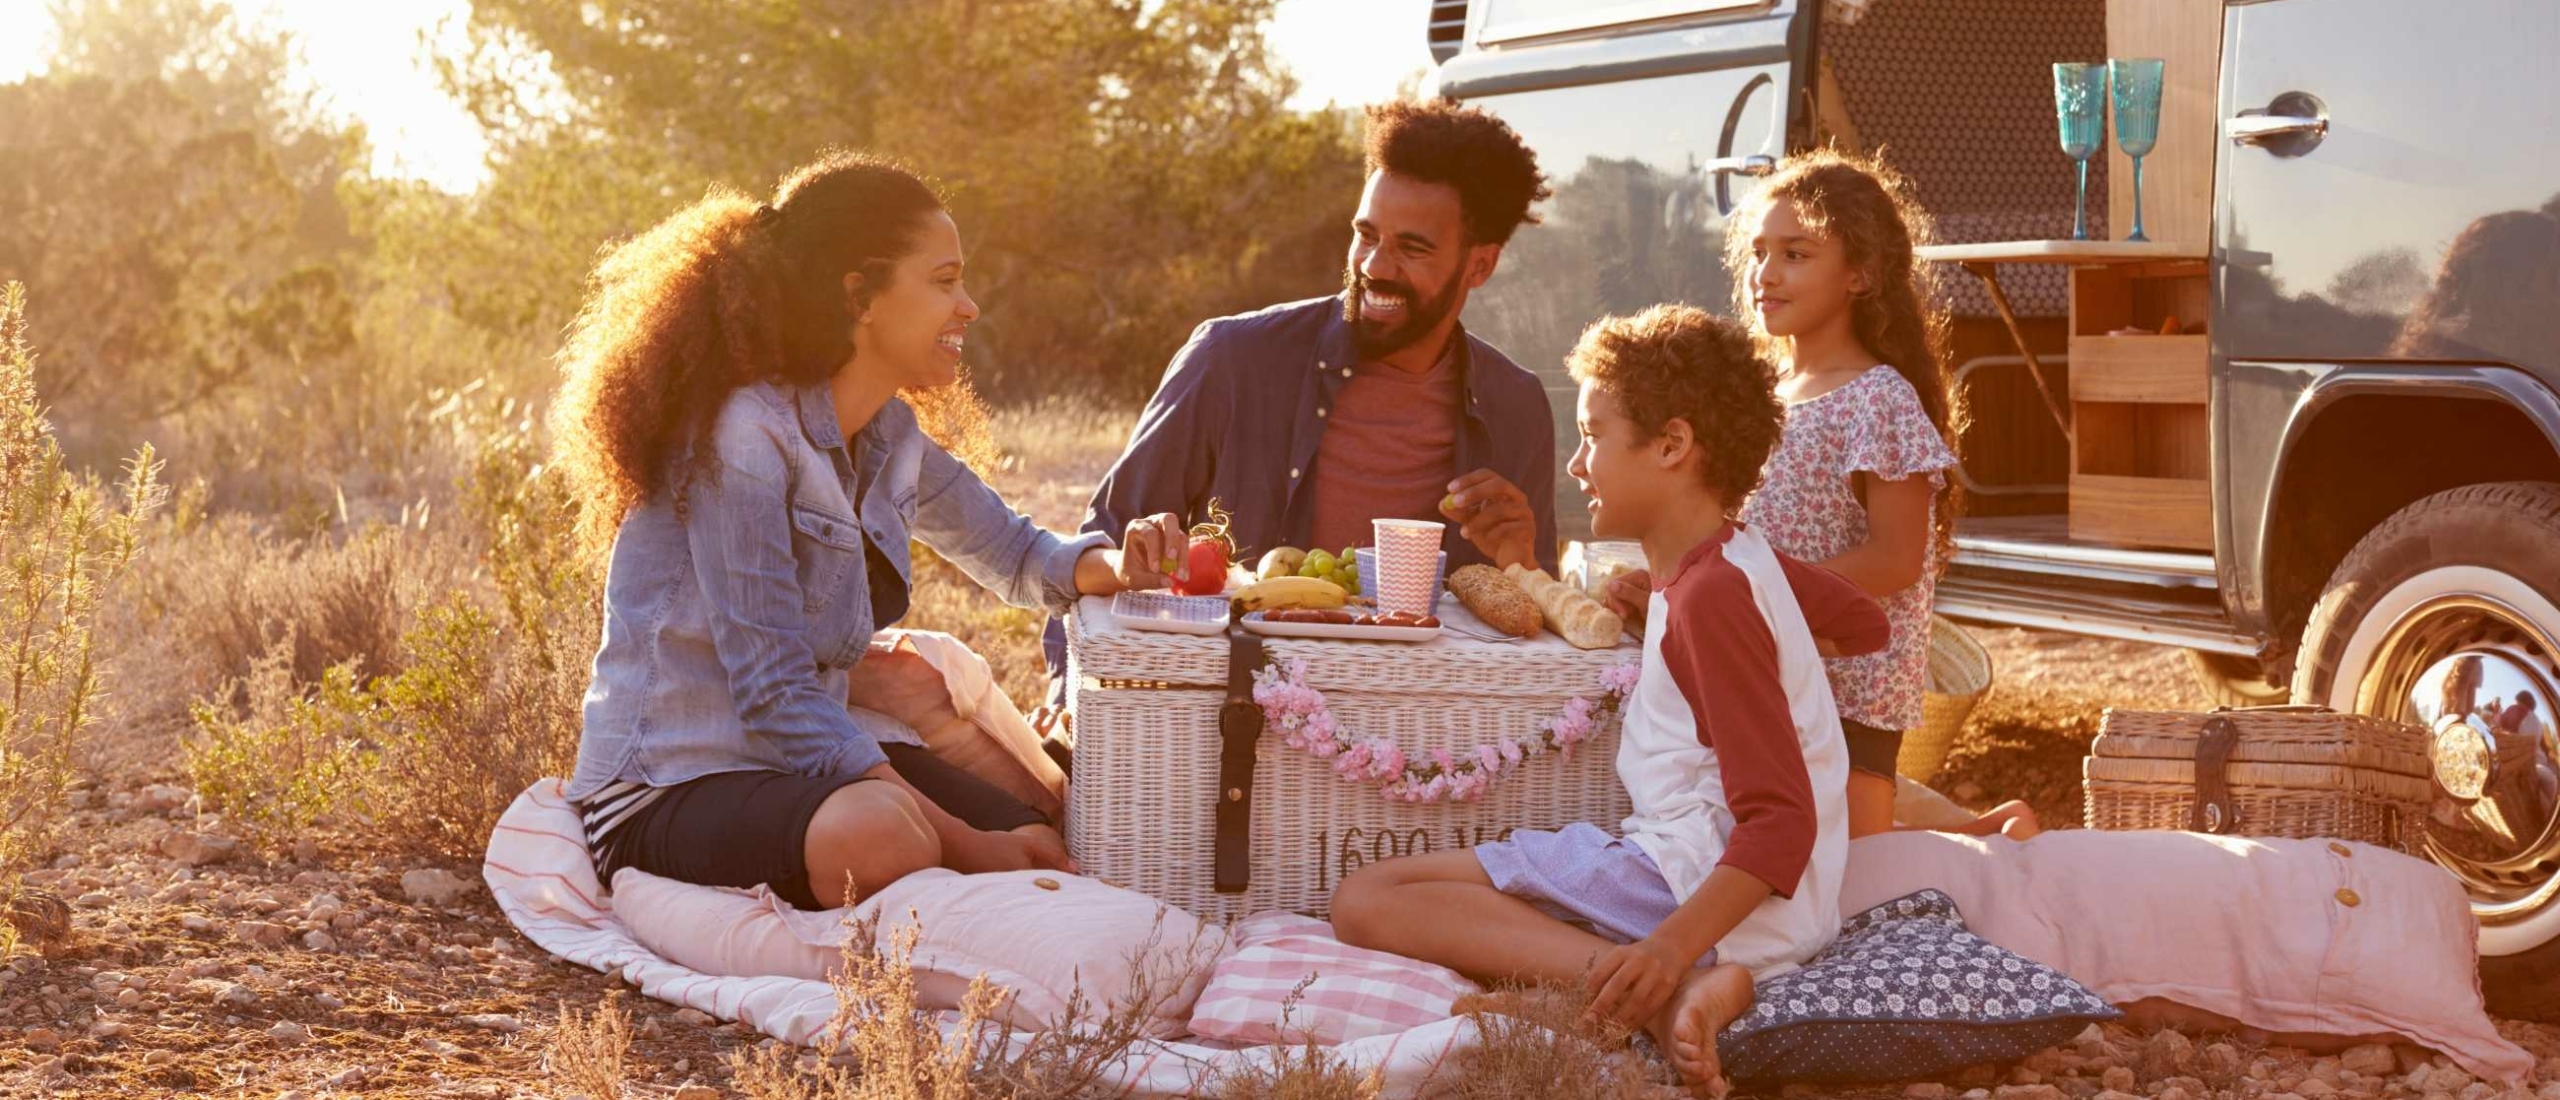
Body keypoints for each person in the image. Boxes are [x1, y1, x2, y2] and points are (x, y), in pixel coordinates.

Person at [551, 152, 1184, 911]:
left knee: (1037, 825)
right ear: (860, 295)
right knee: (888, 838)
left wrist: (1126, 560)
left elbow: (1018, 555)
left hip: (792, 770)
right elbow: (773, 690)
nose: (969, 307)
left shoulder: (890, 434)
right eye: (945, 281)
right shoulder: (744, 436)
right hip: (667, 784)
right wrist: (972, 849)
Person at [1329, 305, 1889, 1095]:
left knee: (1366, 899)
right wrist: (1677, 606)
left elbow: (1782, 823)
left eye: (1593, 434)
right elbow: (1863, 624)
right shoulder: (1732, 562)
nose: (1577, 464)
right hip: (1757, 902)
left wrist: (1664, 953)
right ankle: (1663, 973)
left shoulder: (1710, 599)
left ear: (1672, 445)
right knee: (1421, 897)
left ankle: (1656, 987)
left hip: (1694, 885)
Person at [1040, 100, 1561, 710]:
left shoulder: (1516, 404)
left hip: (1425, 729)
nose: (1373, 266)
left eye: (1412, 249)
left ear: (1480, 265)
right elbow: (1096, 547)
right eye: (1365, 234)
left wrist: (1522, 562)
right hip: (1235, 716)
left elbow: (1536, 633)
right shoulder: (1233, 358)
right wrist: (1064, 699)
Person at [1605, 150, 2038, 841]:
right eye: (1758, 253)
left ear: (1861, 274)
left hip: (1849, 681)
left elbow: (1896, 560)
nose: (1764, 274)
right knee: (1790, 843)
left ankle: (1990, 835)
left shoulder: (1879, 399)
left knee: (1853, 868)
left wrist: (1754, 594)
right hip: (1763, 667)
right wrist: (1668, 587)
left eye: (1796, 254)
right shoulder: (1762, 399)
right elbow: (1728, 539)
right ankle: (1978, 826)